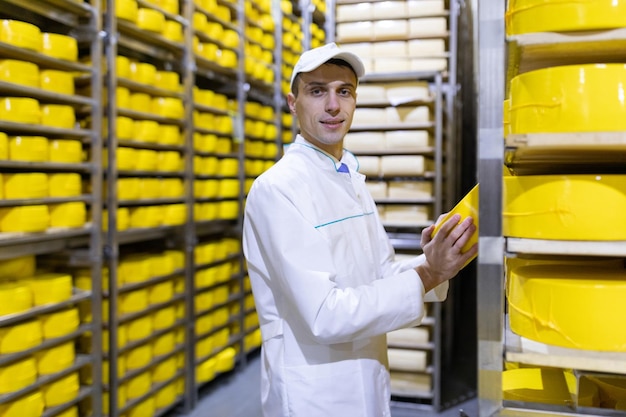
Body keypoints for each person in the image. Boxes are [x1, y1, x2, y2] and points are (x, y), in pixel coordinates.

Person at [242, 42, 477, 417]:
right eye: (317, 91)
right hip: (314, 395)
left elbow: (377, 275)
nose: (333, 105)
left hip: (366, 376)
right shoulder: (277, 189)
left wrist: (437, 262)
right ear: (292, 102)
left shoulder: (348, 177)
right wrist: (427, 273)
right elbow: (325, 314)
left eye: (344, 92)